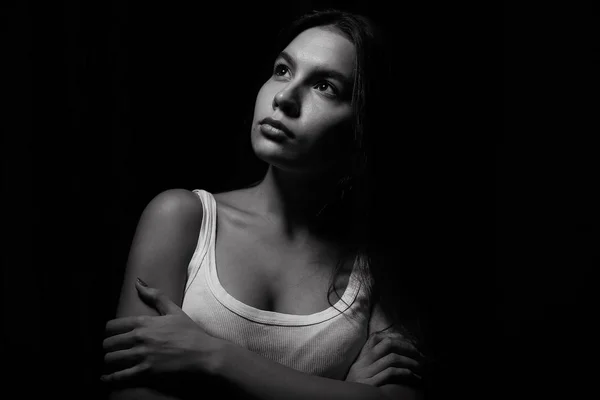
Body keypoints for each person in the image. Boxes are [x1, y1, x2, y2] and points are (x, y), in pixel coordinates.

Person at [102, 8, 427, 400]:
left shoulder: (376, 267)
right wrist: (342, 392)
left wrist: (214, 356)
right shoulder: (184, 218)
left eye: (325, 86)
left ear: (365, 125)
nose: (286, 97)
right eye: (282, 70)